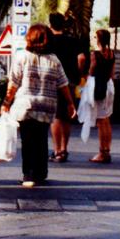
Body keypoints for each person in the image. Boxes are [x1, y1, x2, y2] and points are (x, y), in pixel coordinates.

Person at [1, 23, 76, 188]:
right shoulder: (54, 60)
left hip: (25, 105)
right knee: (41, 138)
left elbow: (13, 83)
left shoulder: (22, 57)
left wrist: (6, 102)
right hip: (46, 105)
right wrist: (70, 103)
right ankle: (41, 173)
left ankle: (28, 174)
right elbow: (63, 84)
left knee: (27, 140)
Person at [48, 12, 86, 163]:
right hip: (70, 80)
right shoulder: (73, 41)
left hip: (53, 81)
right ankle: (64, 148)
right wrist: (78, 72)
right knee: (66, 116)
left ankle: (57, 150)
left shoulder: (49, 41)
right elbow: (82, 58)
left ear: (50, 25)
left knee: (56, 116)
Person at [88, 28, 115, 163]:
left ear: (98, 39)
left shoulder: (96, 54)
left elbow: (92, 70)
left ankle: (102, 152)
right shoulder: (111, 53)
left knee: (100, 121)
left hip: (99, 87)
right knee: (107, 120)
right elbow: (112, 73)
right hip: (109, 86)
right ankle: (107, 150)